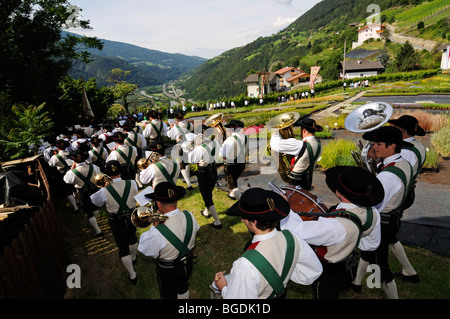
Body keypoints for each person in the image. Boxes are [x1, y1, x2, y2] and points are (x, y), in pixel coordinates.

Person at [282, 166, 384, 299]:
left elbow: (296, 230)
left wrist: (285, 208)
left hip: (327, 273)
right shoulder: (373, 213)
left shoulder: (334, 226)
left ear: (340, 192)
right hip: (349, 268)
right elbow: (370, 245)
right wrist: (351, 241)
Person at [212, 188, 322, 299]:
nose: (242, 220)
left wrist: (223, 288)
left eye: (243, 217)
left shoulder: (245, 265)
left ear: (254, 221)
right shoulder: (292, 238)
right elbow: (314, 270)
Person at [351, 126, 414, 299]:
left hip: (383, 224)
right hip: (393, 220)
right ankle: (357, 283)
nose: (374, 148)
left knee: (381, 267)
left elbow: (374, 204)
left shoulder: (387, 176)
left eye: (378, 144)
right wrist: (377, 164)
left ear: (392, 146)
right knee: (368, 253)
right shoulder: (404, 162)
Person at [138, 182, 200, 299]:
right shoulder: (189, 215)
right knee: (183, 285)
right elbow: (196, 229)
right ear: (175, 200)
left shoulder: (157, 232)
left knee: (168, 292)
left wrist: (154, 226)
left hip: (169, 269)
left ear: (158, 203)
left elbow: (144, 248)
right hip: (188, 261)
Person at [387, 115, 427, 283]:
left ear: (402, 131)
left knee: (387, 233)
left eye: (396, 129)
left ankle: (409, 271)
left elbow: (399, 174)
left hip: (399, 194)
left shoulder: (407, 151)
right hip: (407, 191)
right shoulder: (418, 146)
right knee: (387, 234)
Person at [90, 160, 139, 284]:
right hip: (132, 216)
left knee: (122, 246)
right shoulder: (132, 183)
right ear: (121, 171)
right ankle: (134, 257)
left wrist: (104, 188)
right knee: (132, 237)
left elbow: (95, 202)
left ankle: (132, 274)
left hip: (116, 220)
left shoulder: (103, 191)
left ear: (106, 173)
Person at [269, 117, 322, 190]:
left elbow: (275, 145)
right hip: (308, 180)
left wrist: (275, 133)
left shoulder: (300, 145)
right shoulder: (319, 144)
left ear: (304, 130)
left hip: (296, 181)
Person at [187, 128, 222, 229]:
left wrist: (192, 149)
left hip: (204, 172)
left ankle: (217, 222)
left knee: (207, 196)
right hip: (213, 170)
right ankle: (206, 212)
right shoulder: (215, 143)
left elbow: (192, 160)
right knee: (208, 192)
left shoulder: (200, 148)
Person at [63, 150, 102, 236]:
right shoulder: (94, 167)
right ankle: (94, 221)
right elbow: (99, 175)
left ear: (74, 161)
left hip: (82, 193)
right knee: (95, 207)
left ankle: (98, 230)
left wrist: (71, 170)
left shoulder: (71, 172)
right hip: (94, 189)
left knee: (88, 211)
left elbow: (67, 181)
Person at [219, 119, 248, 200]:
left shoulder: (230, 140)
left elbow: (223, 154)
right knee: (234, 179)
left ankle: (241, 202)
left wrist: (221, 147)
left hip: (232, 164)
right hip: (242, 162)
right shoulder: (245, 137)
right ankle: (232, 195)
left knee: (232, 185)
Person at [48, 139, 79, 213]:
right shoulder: (71, 153)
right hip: (72, 172)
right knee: (74, 187)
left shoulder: (55, 157)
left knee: (68, 191)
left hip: (62, 174)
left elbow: (50, 164)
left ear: (57, 147)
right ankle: (77, 201)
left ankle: (75, 208)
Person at [167, 111, 194, 190]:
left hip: (180, 144)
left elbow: (169, 135)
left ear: (176, 118)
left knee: (181, 164)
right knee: (186, 162)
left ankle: (189, 185)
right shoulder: (190, 124)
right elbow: (191, 130)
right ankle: (187, 179)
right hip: (188, 144)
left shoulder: (176, 127)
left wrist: (171, 127)